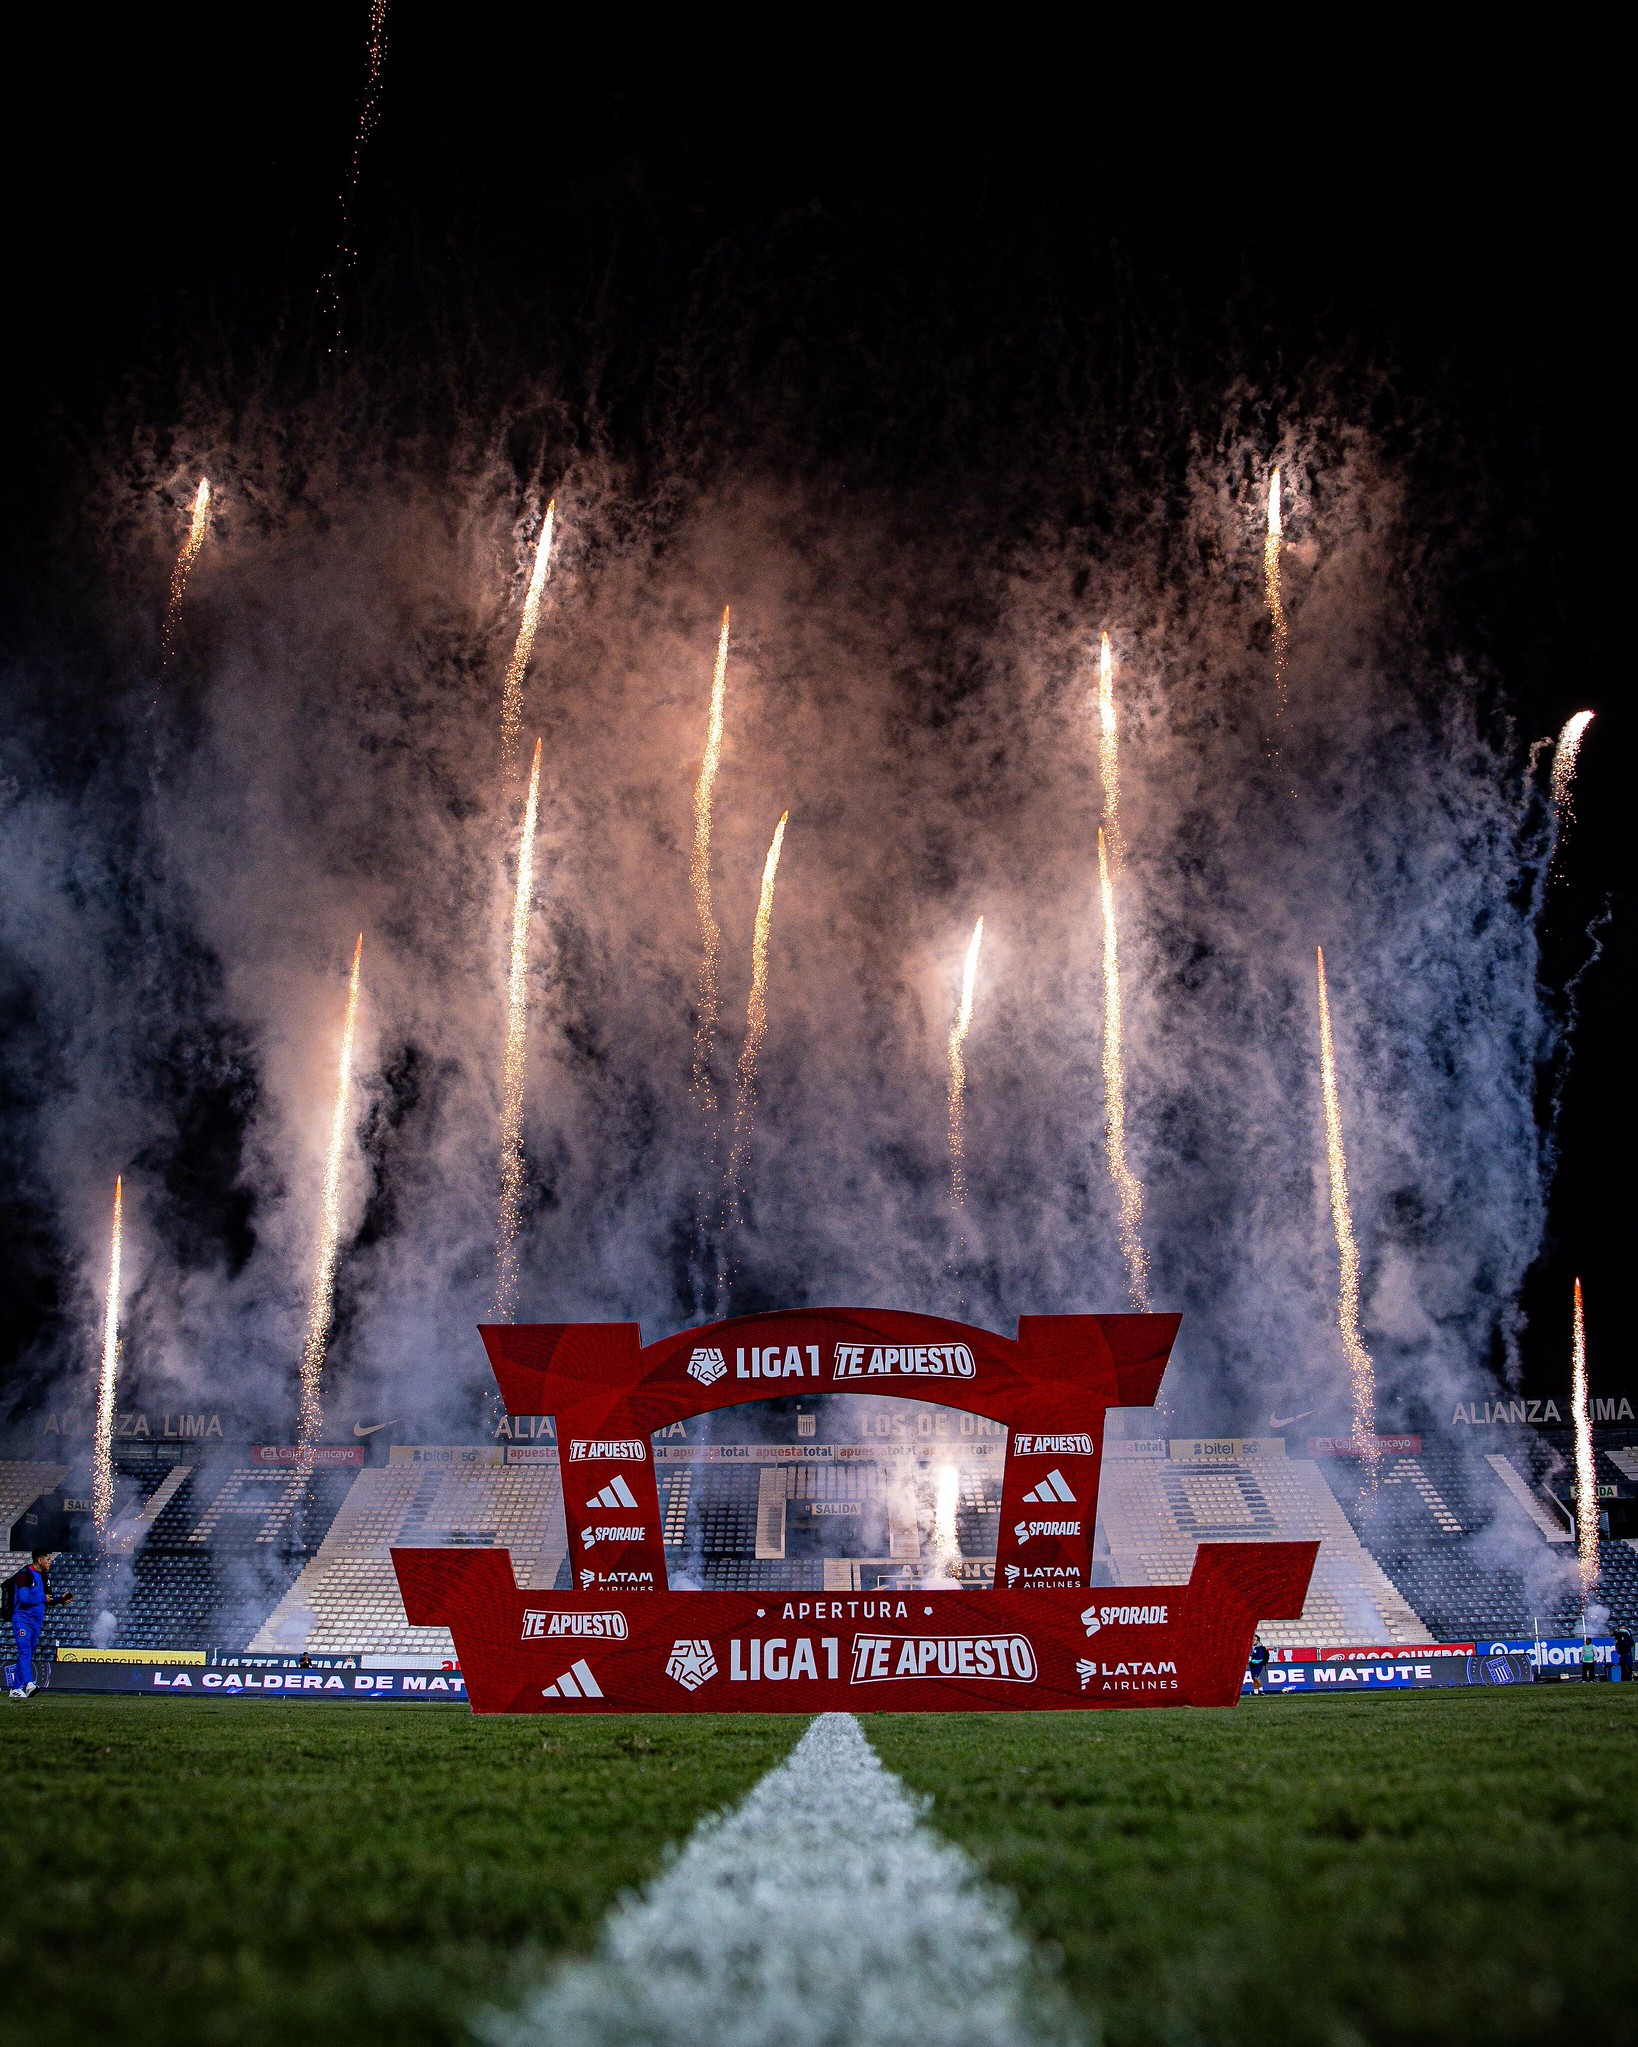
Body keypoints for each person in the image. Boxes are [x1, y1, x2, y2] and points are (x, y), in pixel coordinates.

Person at [6, 1550, 73, 1700]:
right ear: (40, 1560)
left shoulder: (44, 1576)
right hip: (22, 1619)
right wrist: (43, 1597)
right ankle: (29, 1684)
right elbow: (24, 1599)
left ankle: (15, 1688)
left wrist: (60, 1600)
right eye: (48, 1559)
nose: (50, 1562)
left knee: (27, 1653)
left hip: (36, 1621)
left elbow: (47, 1599)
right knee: (24, 1651)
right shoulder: (25, 1575)